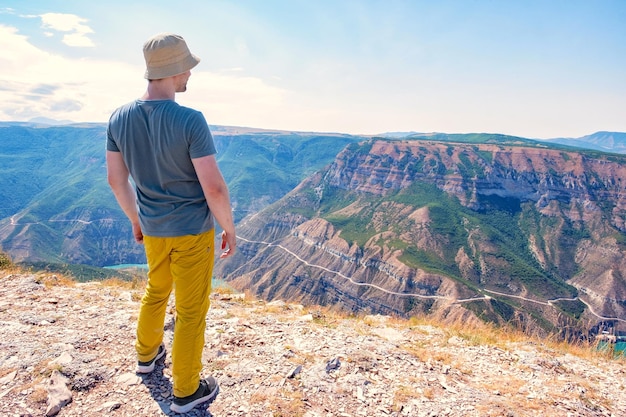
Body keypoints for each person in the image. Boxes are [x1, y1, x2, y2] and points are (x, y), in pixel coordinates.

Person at [106, 32, 236, 414]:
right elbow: (212, 187)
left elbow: (116, 180)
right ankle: (186, 391)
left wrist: (135, 218)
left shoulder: (119, 117)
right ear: (174, 70)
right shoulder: (190, 120)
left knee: (156, 290)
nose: (190, 75)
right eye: (188, 67)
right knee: (192, 310)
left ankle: (146, 357)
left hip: (153, 228)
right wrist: (228, 227)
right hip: (192, 231)